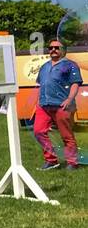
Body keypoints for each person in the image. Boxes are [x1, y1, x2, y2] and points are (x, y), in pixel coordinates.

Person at [33, 39, 82, 169]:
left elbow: (75, 83)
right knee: (38, 131)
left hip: (62, 105)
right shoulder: (44, 67)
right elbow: (41, 85)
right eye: (50, 48)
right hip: (44, 105)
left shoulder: (70, 65)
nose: (53, 50)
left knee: (66, 135)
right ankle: (51, 160)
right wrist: (38, 101)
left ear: (63, 50)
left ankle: (72, 163)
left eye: (56, 48)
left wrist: (69, 99)